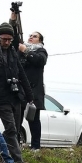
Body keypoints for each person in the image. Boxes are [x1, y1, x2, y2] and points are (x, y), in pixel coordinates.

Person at [0, 22, 34, 163]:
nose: (6, 42)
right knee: (11, 129)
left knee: (15, 130)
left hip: (15, 96)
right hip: (0, 97)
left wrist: (30, 96)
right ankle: (18, 161)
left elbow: (22, 74)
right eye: (4, 39)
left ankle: (0, 154)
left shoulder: (12, 52)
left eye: (9, 39)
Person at [15, 14, 48, 150]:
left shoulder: (41, 51)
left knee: (34, 121)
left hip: (33, 92)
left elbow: (40, 61)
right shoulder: (21, 51)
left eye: (34, 36)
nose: (31, 37)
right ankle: (15, 146)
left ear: (40, 40)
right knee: (17, 120)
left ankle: (35, 147)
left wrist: (26, 51)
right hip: (20, 91)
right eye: (30, 35)